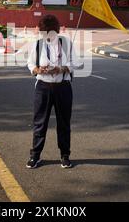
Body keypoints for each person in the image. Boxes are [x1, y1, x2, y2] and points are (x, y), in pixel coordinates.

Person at [27, 15, 82, 169]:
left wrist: (62, 68)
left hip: (62, 87)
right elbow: (30, 63)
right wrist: (37, 69)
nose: (47, 38)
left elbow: (74, 62)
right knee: (40, 123)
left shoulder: (66, 43)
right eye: (44, 34)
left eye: (50, 34)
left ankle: (65, 156)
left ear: (56, 32)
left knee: (63, 123)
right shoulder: (37, 44)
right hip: (43, 87)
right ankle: (35, 156)